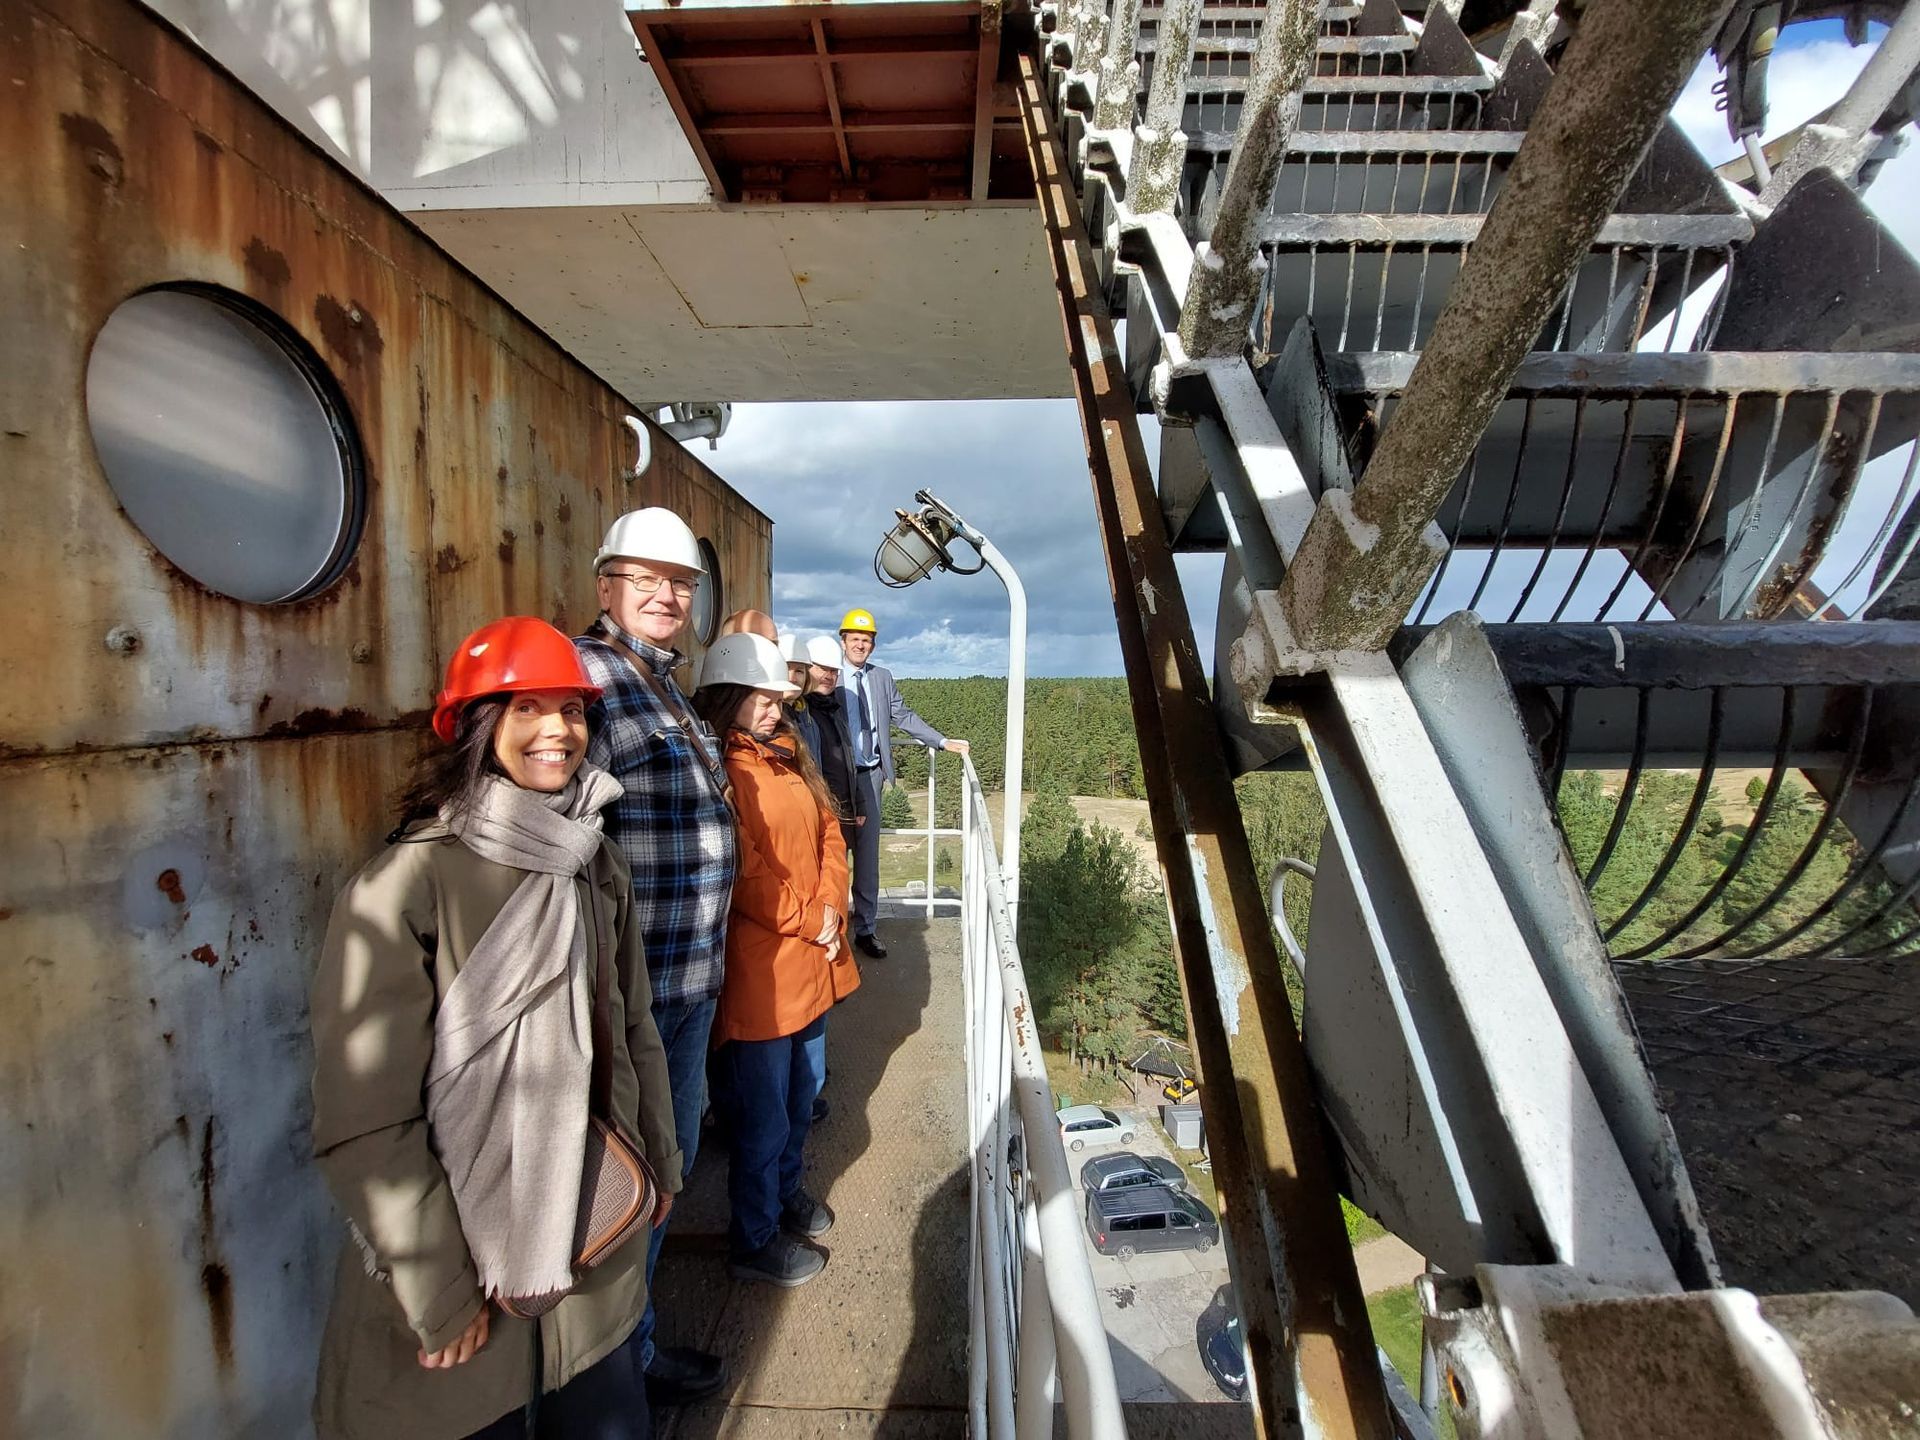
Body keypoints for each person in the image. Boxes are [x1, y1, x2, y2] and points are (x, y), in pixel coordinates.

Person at [309, 617, 678, 1440]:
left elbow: (633, 1029)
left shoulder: (592, 859)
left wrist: (660, 1163)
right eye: (527, 709)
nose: (559, 731)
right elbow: (366, 1114)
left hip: (593, 1232)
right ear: (478, 726)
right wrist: (438, 1285)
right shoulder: (405, 884)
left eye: (573, 710)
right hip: (462, 1263)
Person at [573, 509, 735, 1408]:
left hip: (687, 984)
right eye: (646, 580)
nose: (667, 596)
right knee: (628, 1187)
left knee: (665, 1176)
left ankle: (628, 1351)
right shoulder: (590, 678)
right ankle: (613, 1376)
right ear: (607, 586)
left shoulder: (665, 685)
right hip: (633, 995)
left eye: (679, 583)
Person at [691, 633, 858, 1288]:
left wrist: (831, 907)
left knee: (802, 1094)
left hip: (810, 957)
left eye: (777, 697)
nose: (773, 707)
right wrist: (812, 920)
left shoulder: (788, 756)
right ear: (726, 697)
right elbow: (746, 871)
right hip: (764, 968)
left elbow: (829, 834)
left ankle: (786, 1195)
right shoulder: (724, 769)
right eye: (760, 698)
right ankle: (754, 1238)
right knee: (763, 1117)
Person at [837, 608, 968, 959]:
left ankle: (866, 930)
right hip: (834, 779)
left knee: (867, 858)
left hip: (870, 776)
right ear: (843, 641)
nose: (860, 645)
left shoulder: (881, 678)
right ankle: (833, 932)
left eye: (866, 640)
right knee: (833, 856)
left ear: (873, 645)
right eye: (855, 639)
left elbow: (903, 715)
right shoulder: (828, 677)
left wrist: (941, 741)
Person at [802, 634, 868, 850]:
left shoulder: (834, 710)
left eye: (834, 671)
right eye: (823, 668)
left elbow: (847, 762)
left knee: (838, 867)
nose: (829, 676)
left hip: (842, 814)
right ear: (807, 668)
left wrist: (858, 803)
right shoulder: (798, 714)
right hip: (815, 812)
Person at [776, 632, 821, 760]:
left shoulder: (809, 722)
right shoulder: (766, 721)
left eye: (799, 671)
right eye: (786, 668)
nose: (792, 678)